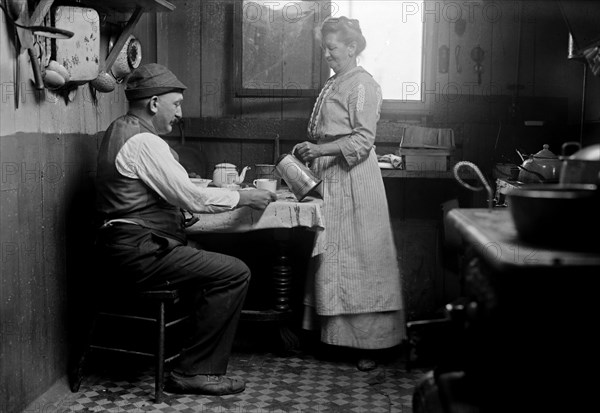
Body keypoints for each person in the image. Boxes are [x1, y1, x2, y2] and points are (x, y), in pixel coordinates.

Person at [94, 63, 277, 395]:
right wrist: (244, 196)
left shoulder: (120, 129)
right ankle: (193, 371)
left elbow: (154, 196)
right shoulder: (146, 142)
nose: (179, 113)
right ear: (153, 104)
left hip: (124, 246)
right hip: (138, 252)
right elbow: (192, 197)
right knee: (235, 272)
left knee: (205, 259)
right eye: (175, 103)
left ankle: (192, 358)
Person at [294, 17, 406, 371]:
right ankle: (337, 340)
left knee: (362, 259)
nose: (327, 54)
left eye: (332, 48)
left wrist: (320, 150)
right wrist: (312, 148)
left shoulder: (362, 85)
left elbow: (363, 139)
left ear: (352, 48)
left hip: (356, 179)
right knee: (334, 257)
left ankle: (373, 345)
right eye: (324, 48)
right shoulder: (336, 82)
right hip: (332, 176)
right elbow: (328, 132)